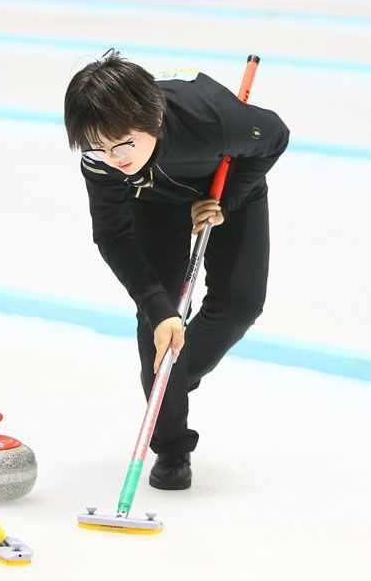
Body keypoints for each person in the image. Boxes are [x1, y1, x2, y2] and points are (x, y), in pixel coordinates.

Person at [63, 52, 289, 490]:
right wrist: (159, 308)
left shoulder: (211, 120)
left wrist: (228, 201)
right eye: (98, 147)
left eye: (124, 144)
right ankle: (171, 447)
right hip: (153, 205)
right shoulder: (101, 158)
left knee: (240, 304)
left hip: (225, 186)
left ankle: (169, 384)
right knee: (158, 329)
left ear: (155, 120)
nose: (114, 158)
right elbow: (112, 237)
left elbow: (276, 135)